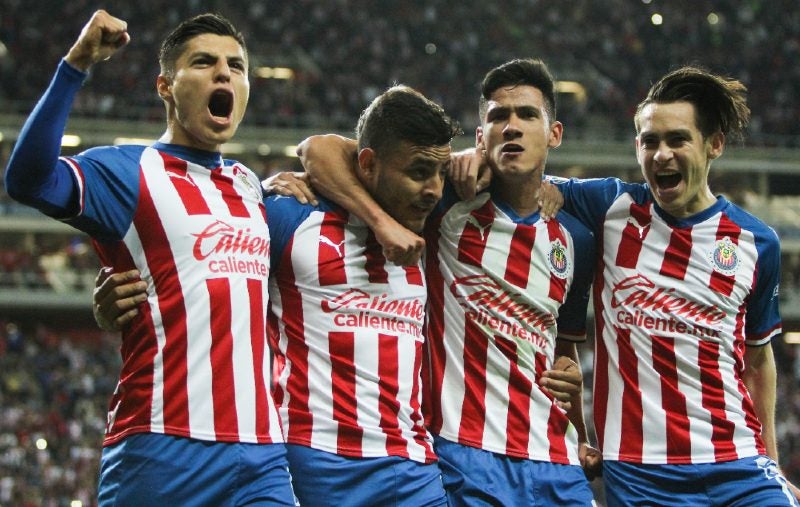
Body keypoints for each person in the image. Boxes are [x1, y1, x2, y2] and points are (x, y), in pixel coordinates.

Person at [95, 85, 463, 506]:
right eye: (418, 173)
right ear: (368, 165)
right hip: (310, 460)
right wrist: (119, 292)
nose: (434, 188)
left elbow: (322, 148)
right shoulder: (290, 215)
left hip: (413, 466)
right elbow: (198, 270)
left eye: (440, 173)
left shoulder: (438, 223)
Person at [4, 11, 296, 505]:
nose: (225, 73)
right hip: (162, 445)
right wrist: (76, 64)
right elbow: (28, 180)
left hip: (261, 450)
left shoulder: (250, 186)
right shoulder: (127, 171)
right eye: (204, 62)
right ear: (165, 85)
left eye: (237, 66)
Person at [295, 58, 600, 506]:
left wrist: (582, 435)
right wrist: (377, 218)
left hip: (557, 459)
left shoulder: (576, 238)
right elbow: (322, 149)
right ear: (481, 137)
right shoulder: (441, 208)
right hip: (465, 456)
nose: (511, 127)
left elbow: (561, 346)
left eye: (527, 115)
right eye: (498, 117)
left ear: (554, 134)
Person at [549, 66, 800, 506]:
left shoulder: (757, 243)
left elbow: (759, 363)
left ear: (714, 145)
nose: (661, 154)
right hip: (641, 471)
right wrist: (469, 158)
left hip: (738, 462)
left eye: (677, 139)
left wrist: (771, 462)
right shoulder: (611, 207)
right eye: (650, 141)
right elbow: (521, 177)